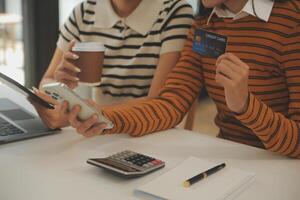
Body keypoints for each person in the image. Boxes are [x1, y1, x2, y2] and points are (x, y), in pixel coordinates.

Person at [65, 0, 300, 158]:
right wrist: (106, 118)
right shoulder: (205, 25)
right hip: (229, 158)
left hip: (281, 166)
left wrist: (246, 106)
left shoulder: (292, 22)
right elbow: (170, 104)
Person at [32, 0, 194, 128]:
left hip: (148, 130)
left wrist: (88, 114)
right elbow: (47, 82)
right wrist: (59, 87)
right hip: (94, 128)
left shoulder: (175, 13)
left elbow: (158, 102)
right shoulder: (83, 13)